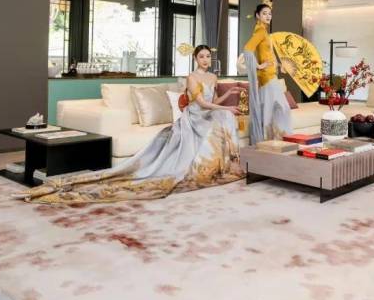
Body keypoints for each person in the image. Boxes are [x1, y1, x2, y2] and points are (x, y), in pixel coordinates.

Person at [14, 45, 245, 204]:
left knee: (223, 117)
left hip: (206, 114)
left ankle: (219, 166)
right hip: (194, 117)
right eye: (202, 56)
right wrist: (227, 109)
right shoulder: (192, 77)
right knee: (224, 117)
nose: (205, 60)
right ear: (195, 58)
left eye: (208, 56)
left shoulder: (213, 78)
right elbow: (201, 103)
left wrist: (229, 95)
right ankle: (203, 167)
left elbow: (214, 101)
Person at [242, 1, 292, 144]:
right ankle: (276, 141)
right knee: (281, 109)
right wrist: (258, 66)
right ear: (257, 15)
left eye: (270, 13)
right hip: (267, 76)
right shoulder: (260, 31)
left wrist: (279, 65)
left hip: (271, 75)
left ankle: (273, 141)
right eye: (264, 13)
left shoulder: (264, 32)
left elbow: (268, 54)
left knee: (271, 110)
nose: (268, 16)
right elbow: (247, 49)